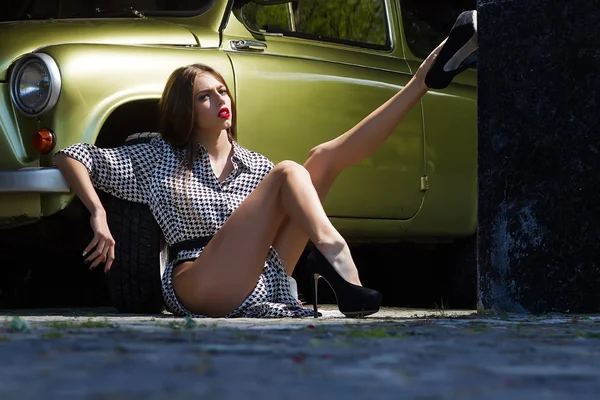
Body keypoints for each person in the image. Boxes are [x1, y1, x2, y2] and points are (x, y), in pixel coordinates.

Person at [55, 38, 459, 319]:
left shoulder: (256, 166)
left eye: (222, 91)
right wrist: (97, 213)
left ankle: (421, 82)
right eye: (204, 96)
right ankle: (335, 253)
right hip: (198, 280)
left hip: (262, 279)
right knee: (290, 171)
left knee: (322, 159)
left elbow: (295, 183)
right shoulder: (157, 154)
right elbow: (71, 156)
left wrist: (420, 81)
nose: (221, 101)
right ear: (185, 109)